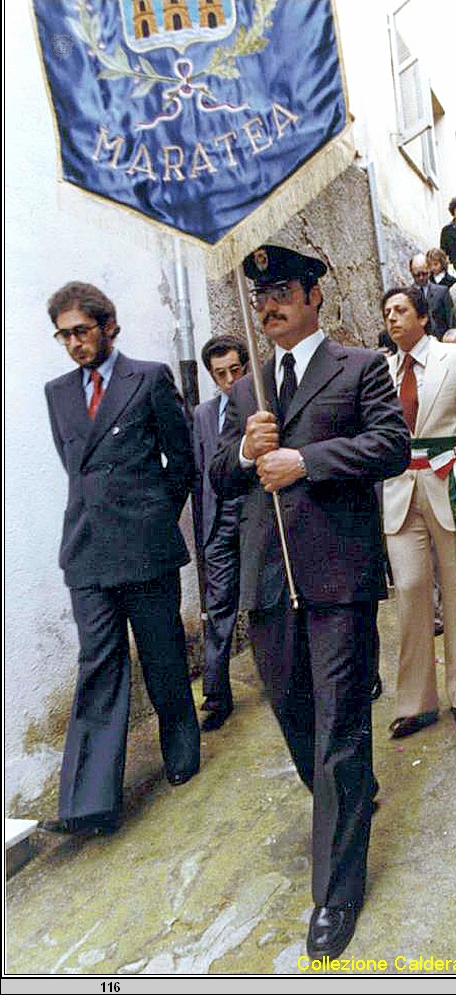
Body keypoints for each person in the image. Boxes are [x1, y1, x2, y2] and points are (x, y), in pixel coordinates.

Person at [210, 245, 410, 957]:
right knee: (297, 720)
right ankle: (351, 794)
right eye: (262, 295)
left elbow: (390, 444)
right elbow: (218, 476)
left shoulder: (358, 367)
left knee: (339, 731)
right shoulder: (245, 390)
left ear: (316, 295)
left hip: (336, 577)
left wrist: (307, 461)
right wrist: (241, 454)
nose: (271, 305)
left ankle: (333, 894)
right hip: (270, 582)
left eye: (285, 291)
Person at [43, 281, 200, 836]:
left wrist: (154, 514)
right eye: (63, 336)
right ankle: (88, 801)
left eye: (81, 332)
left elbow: (182, 459)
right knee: (99, 665)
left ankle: (181, 743)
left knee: (161, 653)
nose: (73, 345)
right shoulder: (58, 392)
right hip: (86, 550)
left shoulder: (149, 378)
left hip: (144, 545)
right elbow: (76, 469)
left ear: (108, 326)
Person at [382, 286, 456, 738]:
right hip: (399, 491)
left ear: (423, 317)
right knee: (409, 590)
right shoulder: (381, 370)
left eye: (401, 310)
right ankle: (416, 701)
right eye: (386, 312)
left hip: (450, 486)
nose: (392, 318)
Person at [192, 335, 249, 731]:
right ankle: (216, 695)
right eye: (220, 374)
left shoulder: (263, 403)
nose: (229, 380)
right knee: (219, 610)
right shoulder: (201, 416)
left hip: (257, 517)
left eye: (234, 370)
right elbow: (198, 474)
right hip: (219, 523)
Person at [410, 253, 454, 338]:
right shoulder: (407, 296)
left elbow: (450, 321)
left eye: (424, 273)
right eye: (417, 275)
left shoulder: (442, 292)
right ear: (411, 272)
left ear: (429, 270)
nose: (421, 278)